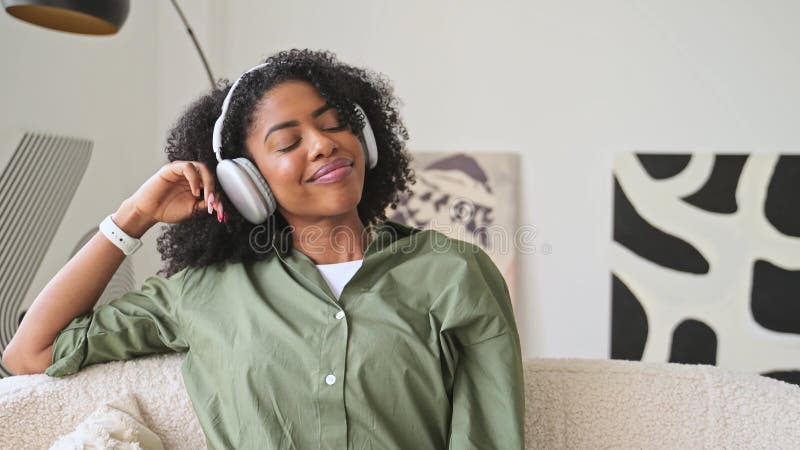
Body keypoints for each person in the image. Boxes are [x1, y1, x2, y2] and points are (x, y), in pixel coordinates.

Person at [3, 49, 525, 449]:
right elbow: (31, 353)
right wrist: (132, 217)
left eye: (332, 123)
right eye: (288, 142)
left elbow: (490, 436)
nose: (322, 144)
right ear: (245, 180)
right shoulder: (205, 290)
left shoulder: (455, 273)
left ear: (364, 139)